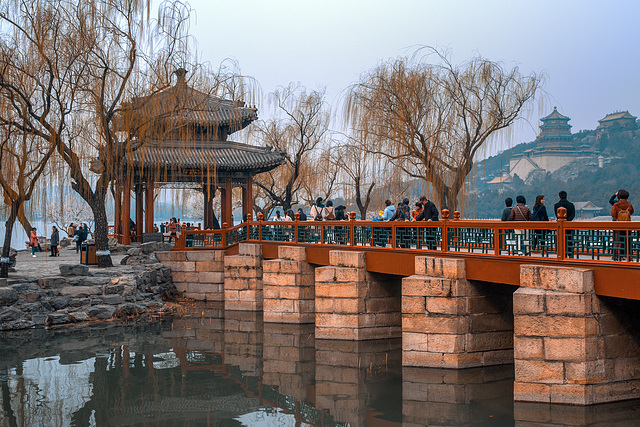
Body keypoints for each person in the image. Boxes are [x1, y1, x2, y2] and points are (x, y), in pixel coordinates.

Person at [610, 189, 634, 260]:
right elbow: (631, 212)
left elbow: (613, 214)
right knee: (627, 241)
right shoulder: (629, 204)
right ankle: (628, 256)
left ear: (619, 196)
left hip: (618, 225)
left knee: (617, 240)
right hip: (627, 225)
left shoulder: (616, 204)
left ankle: (616, 255)